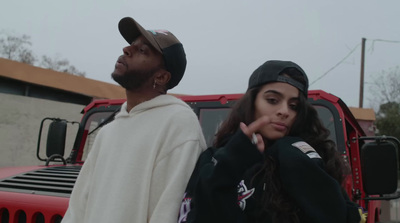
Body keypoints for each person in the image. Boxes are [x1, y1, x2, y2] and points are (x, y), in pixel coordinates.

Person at [61, 17, 206, 223]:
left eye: (142, 50)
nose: (126, 49)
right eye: (131, 45)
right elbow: (77, 209)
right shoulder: (108, 131)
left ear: (162, 77)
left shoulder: (179, 125)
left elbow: (167, 213)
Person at [178, 60, 361, 223]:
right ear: (251, 103)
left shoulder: (309, 156)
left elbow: (339, 216)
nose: (284, 111)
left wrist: (297, 159)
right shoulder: (213, 159)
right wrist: (231, 163)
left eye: (294, 106)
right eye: (272, 100)